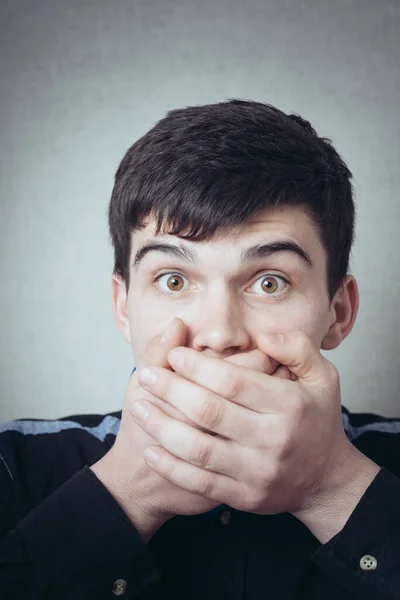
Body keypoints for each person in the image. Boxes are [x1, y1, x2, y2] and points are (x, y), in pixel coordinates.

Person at [1, 100, 399, 600]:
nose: (219, 332)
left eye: (270, 282)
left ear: (337, 312)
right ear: (123, 307)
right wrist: (127, 491)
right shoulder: (11, 468)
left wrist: (331, 486)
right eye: (173, 279)